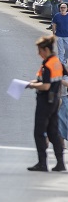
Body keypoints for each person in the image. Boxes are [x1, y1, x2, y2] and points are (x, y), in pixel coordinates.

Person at [26, 35, 66, 172]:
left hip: (45, 102)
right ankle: (60, 163)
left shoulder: (48, 65)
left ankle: (42, 163)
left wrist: (32, 85)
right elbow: (61, 77)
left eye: (40, 50)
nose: (38, 53)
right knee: (53, 132)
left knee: (39, 132)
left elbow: (46, 86)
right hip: (55, 101)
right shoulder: (57, 62)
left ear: (46, 50)